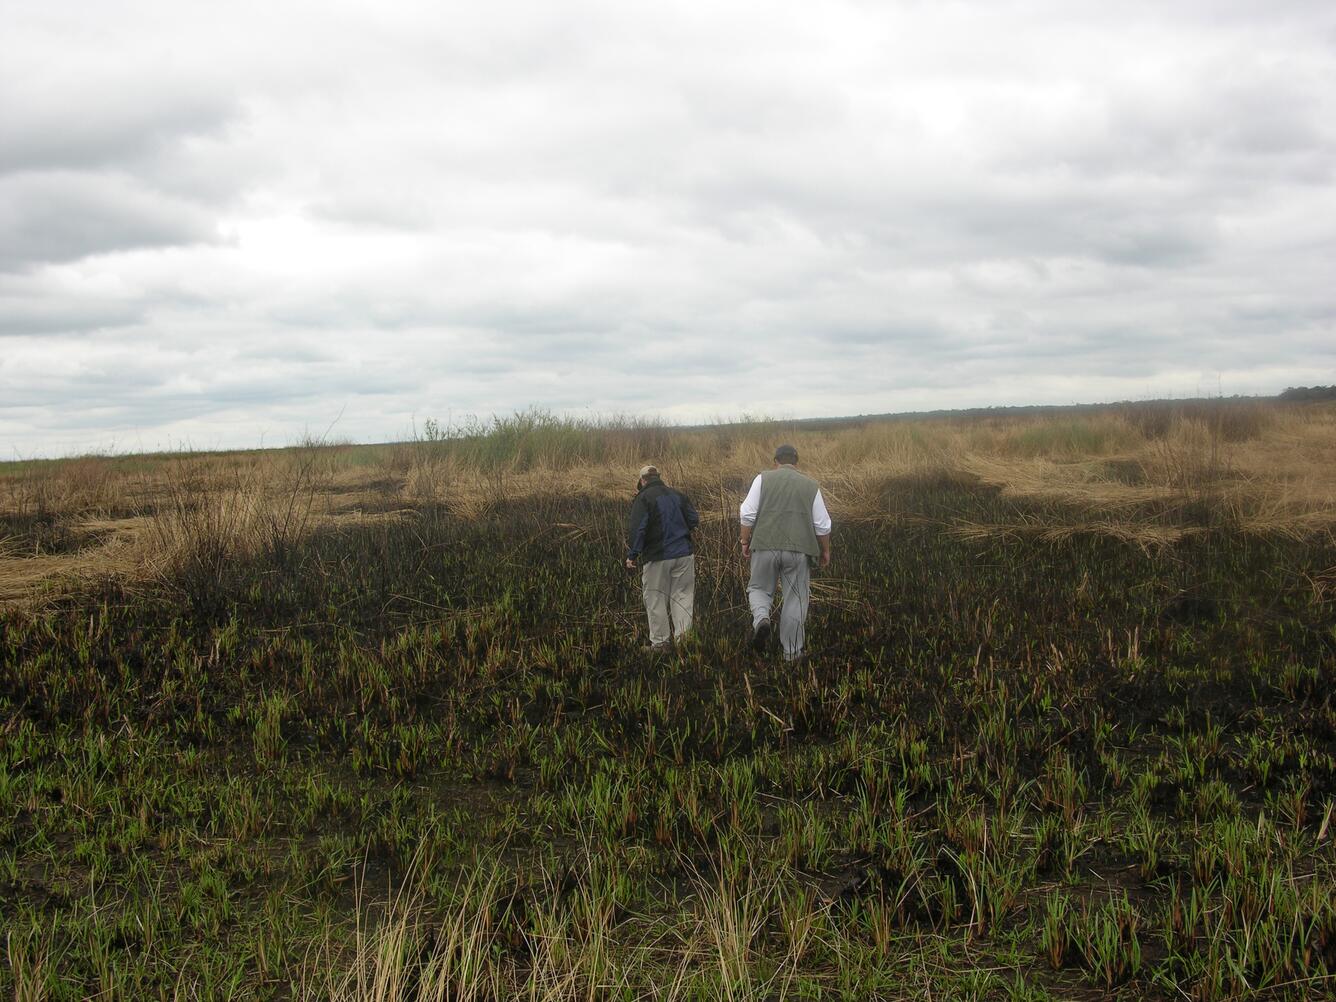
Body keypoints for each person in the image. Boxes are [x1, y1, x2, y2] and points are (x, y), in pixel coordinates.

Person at [739, 444, 832, 661]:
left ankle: (762, 619)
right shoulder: (811, 485)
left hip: (764, 546)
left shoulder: (762, 479)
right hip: (799, 550)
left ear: (776, 461)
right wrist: (825, 550)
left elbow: (747, 513)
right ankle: (792, 653)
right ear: (796, 462)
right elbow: (823, 524)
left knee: (759, 588)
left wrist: (744, 540)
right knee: (795, 599)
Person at [625, 465, 700, 650]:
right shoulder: (677, 494)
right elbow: (694, 520)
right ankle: (684, 642)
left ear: (642, 480)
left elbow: (639, 529)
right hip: (684, 554)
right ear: (658, 477)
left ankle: (660, 643)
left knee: (655, 598)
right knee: (682, 597)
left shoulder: (643, 498)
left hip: (658, 556)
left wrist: (632, 555)